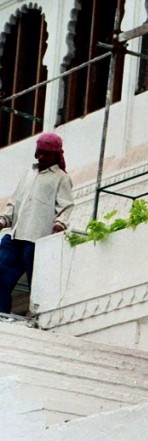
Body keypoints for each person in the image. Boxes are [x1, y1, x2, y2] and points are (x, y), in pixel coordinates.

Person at [0, 132, 74, 316]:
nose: (41, 157)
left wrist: (60, 224)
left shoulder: (61, 178)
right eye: (39, 152)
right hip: (15, 235)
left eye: (46, 154)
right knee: (1, 274)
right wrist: (3, 220)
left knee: (38, 282)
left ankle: (37, 317)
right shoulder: (28, 174)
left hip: (37, 239)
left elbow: (65, 206)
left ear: (56, 155)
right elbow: (14, 202)